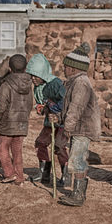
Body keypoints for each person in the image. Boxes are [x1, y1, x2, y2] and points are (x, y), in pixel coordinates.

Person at [51, 42, 101, 207]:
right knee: (79, 159)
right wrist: (58, 117)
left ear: (73, 68)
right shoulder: (75, 82)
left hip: (82, 128)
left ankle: (78, 195)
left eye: (65, 67)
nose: (64, 69)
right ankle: (78, 192)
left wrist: (67, 127)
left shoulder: (81, 83)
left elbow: (76, 108)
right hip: (78, 128)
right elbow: (68, 109)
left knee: (77, 159)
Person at [25, 53, 71, 187]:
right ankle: (44, 173)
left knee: (59, 146)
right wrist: (42, 109)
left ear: (43, 74)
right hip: (49, 122)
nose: (33, 79)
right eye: (31, 76)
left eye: (36, 76)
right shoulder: (37, 87)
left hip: (61, 122)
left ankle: (66, 174)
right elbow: (40, 104)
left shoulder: (55, 84)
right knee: (40, 143)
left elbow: (65, 102)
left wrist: (56, 111)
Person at [0, 54, 33, 186]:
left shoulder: (6, 84)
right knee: (17, 150)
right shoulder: (29, 84)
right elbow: (29, 104)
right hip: (22, 122)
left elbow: (1, 106)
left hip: (7, 122)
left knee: (2, 147)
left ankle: (10, 174)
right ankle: (20, 177)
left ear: (10, 69)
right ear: (25, 68)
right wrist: (25, 117)